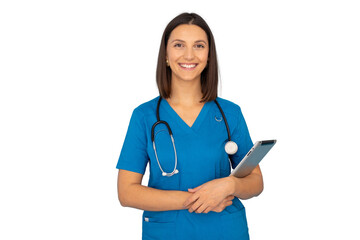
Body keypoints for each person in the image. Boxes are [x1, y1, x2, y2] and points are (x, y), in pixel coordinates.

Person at [116, 12, 264, 240]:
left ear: (208, 56)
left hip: (226, 231)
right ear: (165, 55)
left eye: (199, 46)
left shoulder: (229, 113)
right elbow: (126, 193)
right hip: (168, 233)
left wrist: (229, 185)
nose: (189, 54)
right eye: (178, 45)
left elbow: (255, 181)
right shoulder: (144, 116)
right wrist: (198, 199)